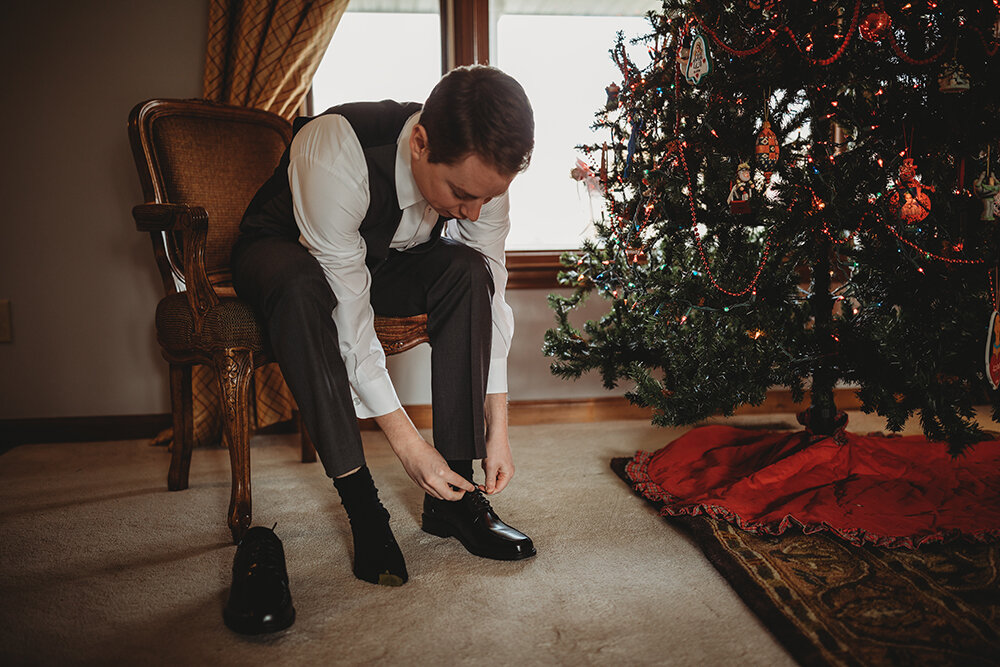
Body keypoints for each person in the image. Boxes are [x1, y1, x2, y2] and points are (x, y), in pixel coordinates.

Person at [230, 65, 536, 587]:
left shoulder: (483, 177)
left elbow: (493, 292)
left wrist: (498, 427)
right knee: (303, 288)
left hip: (385, 258)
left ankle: (455, 502)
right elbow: (350, 323)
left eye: (487, 197)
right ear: (420, 142)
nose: (473, 211)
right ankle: (364, 509)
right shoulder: (335, 151)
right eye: (462, 193)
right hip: (283, 252)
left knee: (468, 270)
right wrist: (409, 445)